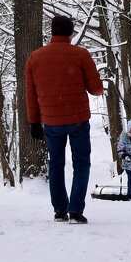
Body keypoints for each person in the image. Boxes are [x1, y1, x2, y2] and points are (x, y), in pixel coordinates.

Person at [25, 14, 104, 224]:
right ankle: (76, 210)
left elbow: (30, 93)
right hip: (77, 119)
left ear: (52, 32)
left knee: (56, 164)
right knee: (81, 163)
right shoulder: (80, 54)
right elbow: (96, 89)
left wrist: (34, 121)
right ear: (70, 32)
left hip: (50, 121)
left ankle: (59, 210)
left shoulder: (35, 57)